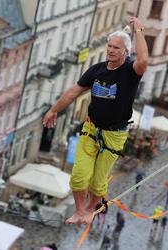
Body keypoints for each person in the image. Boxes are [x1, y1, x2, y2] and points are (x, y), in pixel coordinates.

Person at [42, 16, 148, 225]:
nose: (110, 50)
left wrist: (139, 30)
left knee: (99, 182)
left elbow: (143, 60)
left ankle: (90, 209)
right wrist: (53, 110)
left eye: (116, 48)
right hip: (91, 128)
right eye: (109, 46)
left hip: (115, 134)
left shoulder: (130, 71)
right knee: (79, 175)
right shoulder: (96, 70)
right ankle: (80, 211)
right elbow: (73, 92)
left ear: (125, 51)